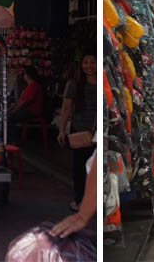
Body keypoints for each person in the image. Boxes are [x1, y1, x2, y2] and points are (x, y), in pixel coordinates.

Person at [57, 54, 97, 212]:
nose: (89, 66)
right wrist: (61, 130)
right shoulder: (73, 85)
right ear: (81, 66)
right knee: (79, 169)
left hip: (98, 133)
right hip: (79, 131)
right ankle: (80, 200)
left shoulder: (104, 82)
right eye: (86, 63)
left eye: (93, 62)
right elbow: (66, 109)